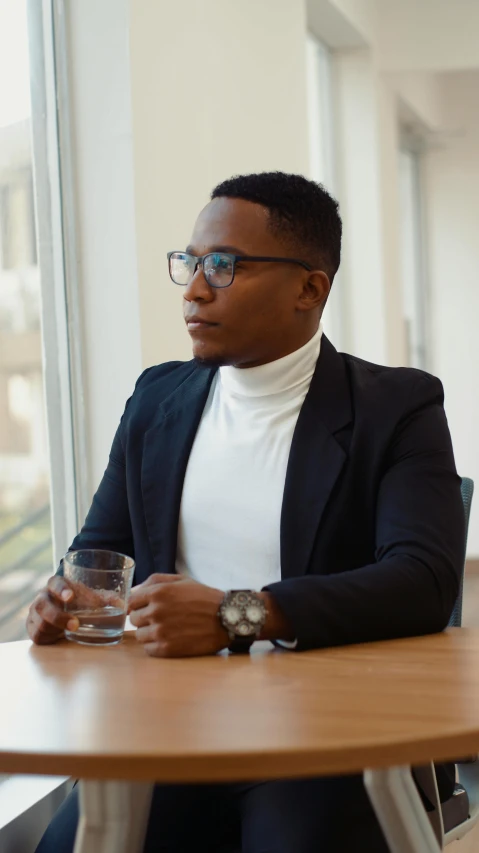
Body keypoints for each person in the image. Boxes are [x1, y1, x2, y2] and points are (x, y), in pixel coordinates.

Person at [29, 172, 464, 853]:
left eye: (224, 267)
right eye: (192, 262)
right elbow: (100, 552)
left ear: (308, 288)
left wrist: (238, 612)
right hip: (169, 724)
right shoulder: (156, 400)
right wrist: (68, 598)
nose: (195, 289)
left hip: (326, 733)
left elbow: (421, 581)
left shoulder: (396, 408)